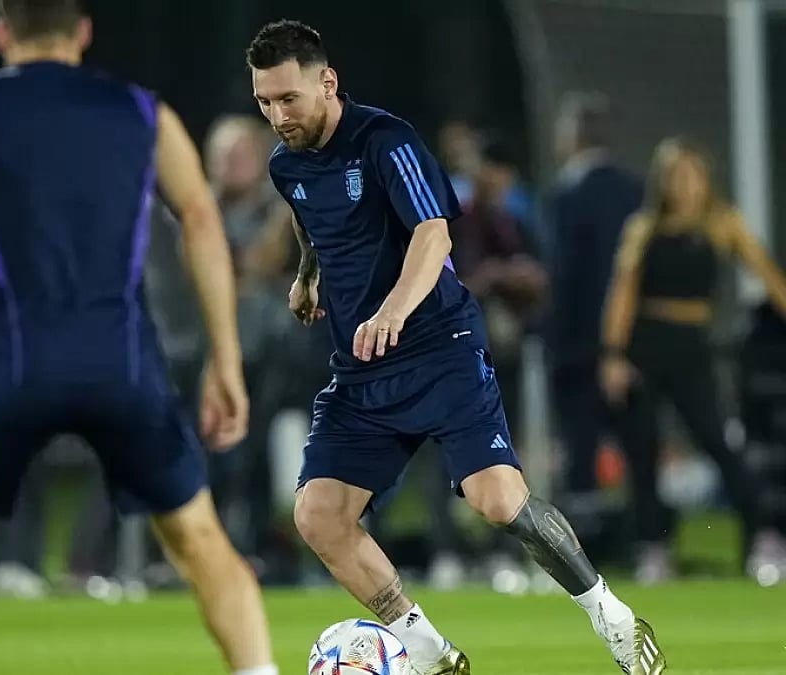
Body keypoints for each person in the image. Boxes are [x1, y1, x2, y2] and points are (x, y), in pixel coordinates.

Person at [0, 3, 278, 675]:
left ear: (2, 32)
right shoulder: (144, 112)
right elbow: (201, 219)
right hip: (121, 362)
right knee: (203, 543)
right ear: (83, 32)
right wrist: (224, 360)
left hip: (9, 362)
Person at [246, 20, 665, 675]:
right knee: (319, 515)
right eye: (265, 101)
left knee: (498, 501)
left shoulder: (385, 141)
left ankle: (609, 614)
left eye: (288, 99)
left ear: (327, 82)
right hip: (362, 372)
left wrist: (392, 307)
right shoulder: (285, 164)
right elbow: (311, 218)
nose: (277, 115)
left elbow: (433, 235)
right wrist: (307, 274)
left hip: (440, 347)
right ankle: (430, 655)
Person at [601, 138, 786, 585]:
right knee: (642, 452)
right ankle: (653, 548)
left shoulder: (723, 224)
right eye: (676, 176)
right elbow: (622, 294)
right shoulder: (643, 228)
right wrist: (613, 355)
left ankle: (764, 538)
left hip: (691, 345)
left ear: (705, 181)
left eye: (692, 175)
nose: (684, 185)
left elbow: (767, 273)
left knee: (717, 440)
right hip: (645, 345)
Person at [549, 93, 643, 504]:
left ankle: (588, 547)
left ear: (574, 136)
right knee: (638, 445)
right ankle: (645, 542)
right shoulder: (636, 191)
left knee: (580, 448)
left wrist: (551, 334)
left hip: (577, 345)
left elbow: (564, 274)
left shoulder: (567, 195)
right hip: (632, 340)